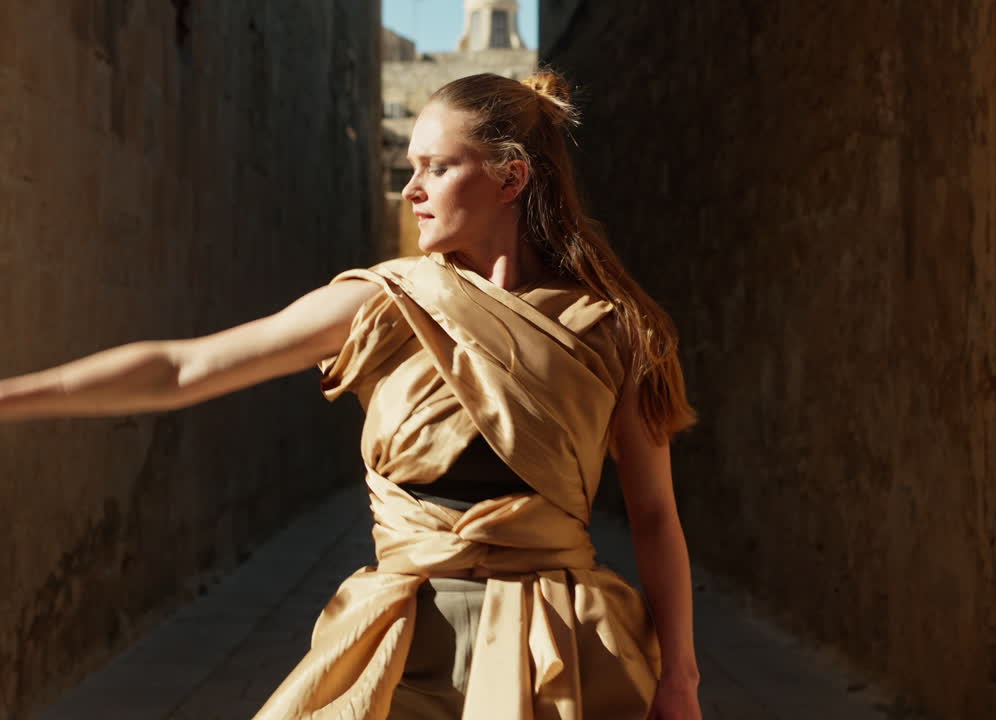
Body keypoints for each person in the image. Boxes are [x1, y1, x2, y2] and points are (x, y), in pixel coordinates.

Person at [0, 70, 702, 719]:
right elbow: (183, 369)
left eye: (437, 167)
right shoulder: (385, 303)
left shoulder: (617, 330)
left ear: (510, 177)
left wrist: (681, 676)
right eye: (410, 167)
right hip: (399, 642)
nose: (411, 189)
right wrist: (11, 397)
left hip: (563, 652)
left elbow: (653, 516)